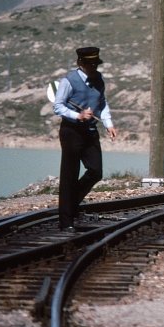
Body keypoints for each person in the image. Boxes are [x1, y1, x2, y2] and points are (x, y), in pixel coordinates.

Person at [53, 46, 118, 231]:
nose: (93, 67)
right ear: (80, 63)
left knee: (96, 171)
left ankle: (69, 205)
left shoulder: (98, 80)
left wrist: (109, 124)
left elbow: (102, 103)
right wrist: (78, 116)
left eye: (95, 64)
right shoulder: (68, 81)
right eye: (90, 64)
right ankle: (66, 222)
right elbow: (58, 106)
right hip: (71, 131)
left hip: (90, 131)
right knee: (69, 175)